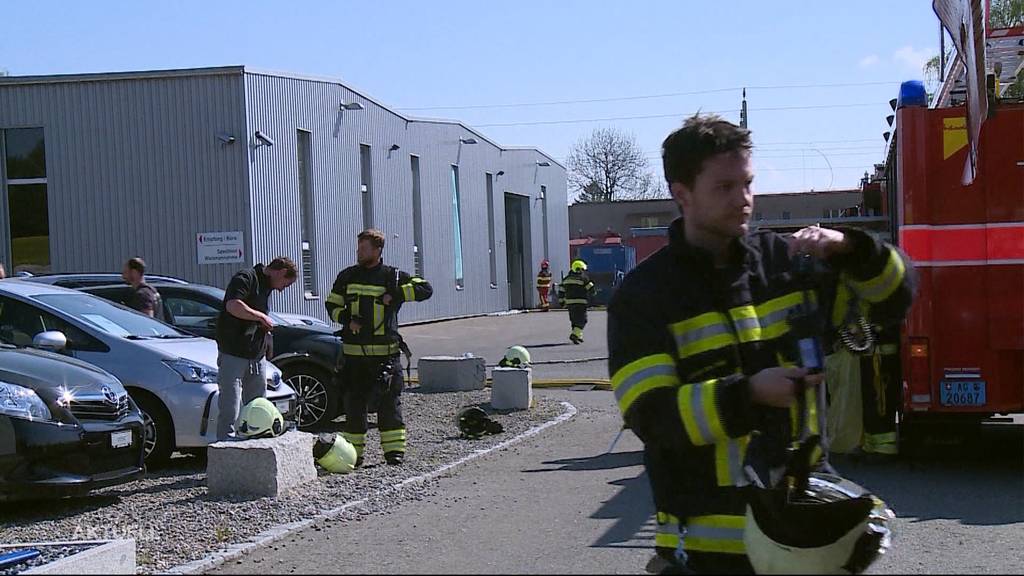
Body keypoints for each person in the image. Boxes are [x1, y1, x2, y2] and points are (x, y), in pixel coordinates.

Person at [607, 114, 914, 574]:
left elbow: (896, 298)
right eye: (724, 188)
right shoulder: (645, 297)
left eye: (748, 184)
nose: (743, 200)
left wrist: (850, 249)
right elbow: (652, 415)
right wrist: (748, 395)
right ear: (681, 194)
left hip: (805, 535)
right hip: (707, 551)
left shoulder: (786, 264)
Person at [325, 229, 432, 467]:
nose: (359, 253)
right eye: (358, 248)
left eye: (364, 249)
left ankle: (394, 453)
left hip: (385, 357)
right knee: (354, 406)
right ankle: (353, 454)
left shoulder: (391, 276)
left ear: (377, 250)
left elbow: (425, 289)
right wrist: (345, 319)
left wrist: (395, 294)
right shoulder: (347, 276)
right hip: (353, 359)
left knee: (389, 405)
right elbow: (331, 304)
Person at [215, 257, 298, 441]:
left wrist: (267, 334)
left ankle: (256, 443)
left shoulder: (267, 286)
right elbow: (233, 305)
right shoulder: (246, 278)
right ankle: (225, 446)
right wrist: (260, 317)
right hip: (233, 352)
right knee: (231, 406)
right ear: (282, 272)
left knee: (258, 406)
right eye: (286, 284)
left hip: (256, 355)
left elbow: (261, 316)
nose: (283, 289)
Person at [560, 259, 595, 344]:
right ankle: (575, 335)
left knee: (574, 320)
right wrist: (593, 295)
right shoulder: (583, 278)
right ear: (579, 269)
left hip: (570, 303)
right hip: (581, 302)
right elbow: (591, 289)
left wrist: (561, 302)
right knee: (583, 320)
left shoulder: (566, 279)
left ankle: (579, 336)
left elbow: (561, 291)